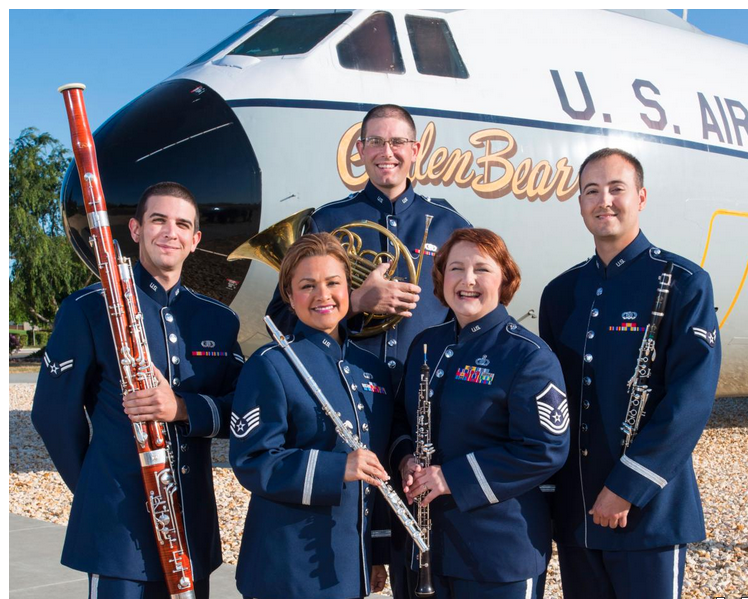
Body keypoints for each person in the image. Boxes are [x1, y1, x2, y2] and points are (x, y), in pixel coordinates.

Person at [266, 104, 472, 596]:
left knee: (418, 533)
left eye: (398, 142)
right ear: (358, 151)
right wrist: (358, 301)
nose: (387, 153)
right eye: (375, 142)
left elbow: (465, 318)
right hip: (345, 399)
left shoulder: (448, 225)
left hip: (422, 403)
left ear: (416, 150)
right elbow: (280, 319)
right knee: (344, 547)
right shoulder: (328, 220)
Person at [32, 182, 244, 599]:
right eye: (158, 220)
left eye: (183, 224)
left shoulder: (218, 319)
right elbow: (53, 416)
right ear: (135, 229)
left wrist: (183, 408)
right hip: (117, 531)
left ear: (195, 240)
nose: (171, 232)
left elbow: (241, 409)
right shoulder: (88, 307)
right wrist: (99, 488)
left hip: (189, 524)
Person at [539, 148, 721, 599]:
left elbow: (690, 399)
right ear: (580, 203)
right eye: (591, 191)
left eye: (616, 189)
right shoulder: (560, 292)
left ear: (641, 197)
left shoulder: (684, 281)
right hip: (579, 510)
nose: (605, 201)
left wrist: (627, 486)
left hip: (647, 511)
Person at [390, 228, 569, 599]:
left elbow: (545, 449)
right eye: (455, 268)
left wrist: (450, 478)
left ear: (504, 278)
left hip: (495, 554)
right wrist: (405, 457)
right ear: (441, 279)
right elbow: (399, 419)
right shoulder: (426, 344)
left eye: (482, 269)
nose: (467, 280)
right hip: (423, 549)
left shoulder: (528, 355)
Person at [230, 233, 395, 599]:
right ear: (289, 296)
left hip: (347, 564)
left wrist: (376, 552)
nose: (323, 295)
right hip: (286, 569)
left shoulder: (371, 369)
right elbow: (252, 461)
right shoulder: (271, 364)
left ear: (348, 289)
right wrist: (338, 469)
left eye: (333, 283)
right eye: (307, 286)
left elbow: (377, 470)